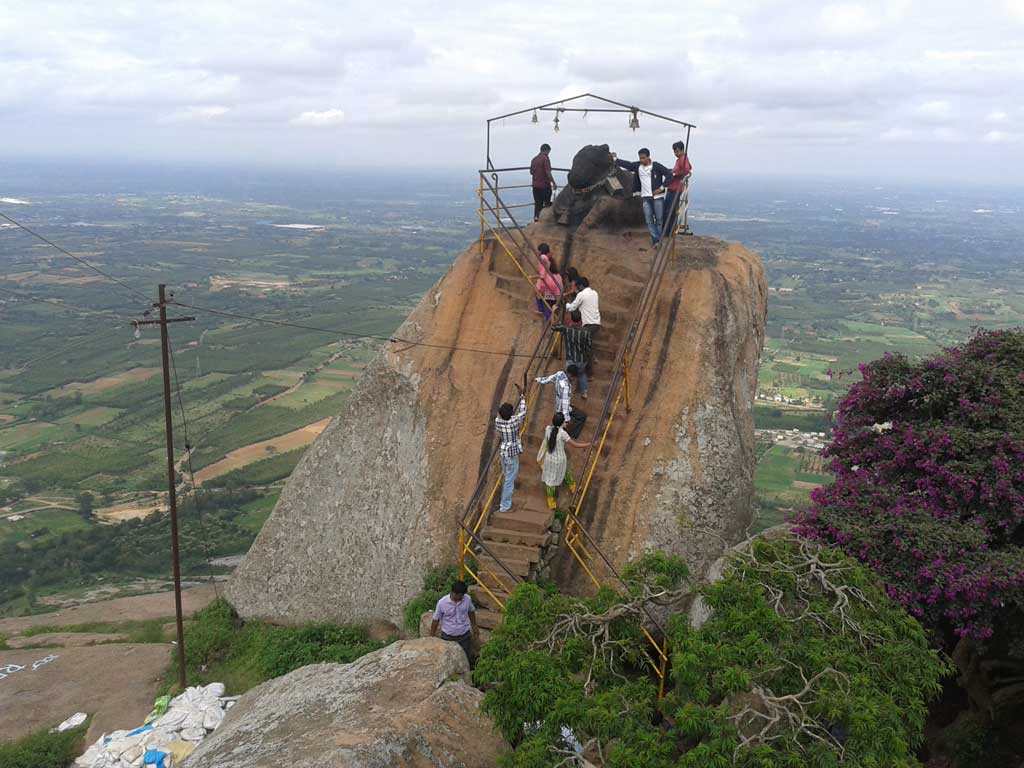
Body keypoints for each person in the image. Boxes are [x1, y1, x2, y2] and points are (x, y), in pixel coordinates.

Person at [615, 148, 672, 245]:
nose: (642, 160)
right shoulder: (638, 166)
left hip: (657, 197)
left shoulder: (656, 166)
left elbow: (669, 174)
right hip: (646, 197)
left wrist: (661, 187)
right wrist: (616, 160)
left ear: (648, 157)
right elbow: (629, 165)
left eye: (643, 158)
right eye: (640, 158)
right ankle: (657, 240)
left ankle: (657, 241)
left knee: (659, 219)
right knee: (649, 220)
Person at [536, 412, 591, 510]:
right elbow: (575, 444)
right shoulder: (562, 434)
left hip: (549, 459)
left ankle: (551, 502)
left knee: (550, 481)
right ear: (562, 423)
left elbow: (553, 429)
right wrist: (588, 444)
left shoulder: (548, 429)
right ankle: (573, 487)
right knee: (565, 472)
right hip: (560, 459)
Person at [494, 377, 528, 513]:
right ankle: (505, 505)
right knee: (509, 479)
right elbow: (523, 412)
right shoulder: (514, 422)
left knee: (506, 474)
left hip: (503, 451)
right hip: (512, 452)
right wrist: (522, 396)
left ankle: (505, 501)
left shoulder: (498, 421)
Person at [429, 579, 479, 665]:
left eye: (463, 595)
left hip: (464, 636)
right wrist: (432, 636)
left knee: (464, 659)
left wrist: (474, 626)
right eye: (461, 595)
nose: (463, 597)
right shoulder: (442, 603)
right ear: (454, 593)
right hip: (448, 637)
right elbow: (436, 620)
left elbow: (471, 611)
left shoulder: (467, 599)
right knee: (449, 661)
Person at [535, 366, 586, 437]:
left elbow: (549, 379)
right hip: (563, 409)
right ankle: (571, 434)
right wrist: (567, 419)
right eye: (573, 377)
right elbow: (565, 403)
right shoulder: (565, 387)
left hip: (558, 406)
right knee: (582, 416)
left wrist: (538, 379)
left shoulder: (559, 374)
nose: (574, 379)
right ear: (570, 375)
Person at [552, 311, 592, 399]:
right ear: (580, 319)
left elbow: (553, 327)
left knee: (568, 375)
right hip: (582, 359)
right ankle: (584, 392)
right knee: (582, 374)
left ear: (571, 319)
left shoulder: (566, 329)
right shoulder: (586, 332)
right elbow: (589, 347)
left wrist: (554, 312)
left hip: (570, 359)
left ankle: (566, 392)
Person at [565, 277, 600, 368]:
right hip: (596, 323)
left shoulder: (581, 295)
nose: (577, 288)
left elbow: (572, 307)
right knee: (587, 343)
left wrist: (565, 304)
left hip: (588, 324)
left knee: (584, 346)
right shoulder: (595, 293)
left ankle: (589, 369)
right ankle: (593, 357)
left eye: (578, 286)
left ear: (581, 285)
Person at [662, 140, 692, 236]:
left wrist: (675, 174)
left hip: (675, 188)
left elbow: (687, 170)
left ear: (682, 150)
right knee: (670, 210)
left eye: (677, 151)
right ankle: (668, 230)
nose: (676, 153)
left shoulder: (683, 158)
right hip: (674, 188)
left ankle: (667, 232)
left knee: (669, 211)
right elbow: (688, 168)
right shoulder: (681, 159)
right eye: (675, 151)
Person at [534, 244, 563, 320]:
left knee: (539, 294)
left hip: (549, 287)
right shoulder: (557, 274)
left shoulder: (543, 259)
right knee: (550, 303)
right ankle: (550, 315)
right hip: (557, 292)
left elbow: (542, 277)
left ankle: (542, 311)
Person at [530, 143, 557, 221]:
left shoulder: (534, 159)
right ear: (547, 150)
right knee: (547, 204)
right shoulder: (545, 158)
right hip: (544, 186)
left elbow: (531, 172)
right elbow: (548, 173)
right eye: (549, 152)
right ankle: (545, 222)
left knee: (538, 204)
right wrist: (554, 183)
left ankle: (536, 219)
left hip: (535, 186)